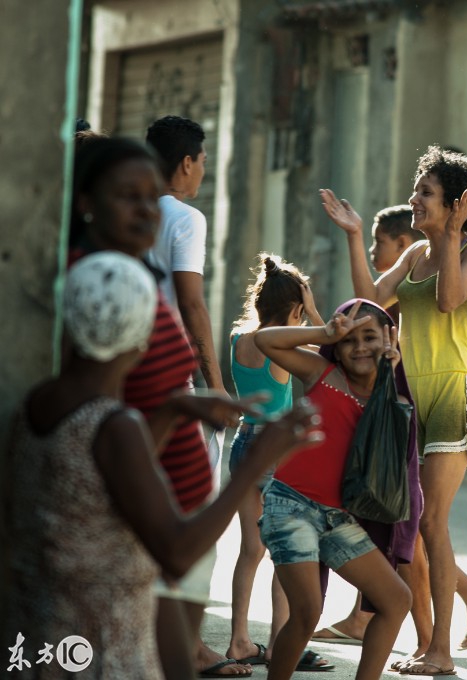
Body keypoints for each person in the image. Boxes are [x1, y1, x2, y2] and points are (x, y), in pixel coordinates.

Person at [0, 251, 321, 680]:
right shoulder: (116, 426)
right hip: (100, 648)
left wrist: (171, 410)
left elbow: (96, 481)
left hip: (42, 636)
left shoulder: (35, 406)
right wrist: (259, 460)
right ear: (140, 340)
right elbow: (177, 551)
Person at [67, 136, 250, 678]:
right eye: (130, 196)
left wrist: (187, 407)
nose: (151, 210)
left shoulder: (131, 272)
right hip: (149, 524)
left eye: (154, 196)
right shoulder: (98, 284)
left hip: (157, 500)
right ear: (86, 202)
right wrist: (259, 457)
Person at [320, 145, 467, 675]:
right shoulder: (413, 255)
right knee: (410, 523)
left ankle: (440, 651)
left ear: (457, 206)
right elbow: (369, 301)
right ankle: (428, 641)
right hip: (407, 401)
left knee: (432, 524)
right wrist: (355, 235)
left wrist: (449, 236)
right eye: (416, 189)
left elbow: (447, 301)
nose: (413, 200)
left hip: (452, 396)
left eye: (425, 193)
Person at [254, 300, 418, 680]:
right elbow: (266, 341)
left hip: (337, 517)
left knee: (396, 599)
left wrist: (389, 379)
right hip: (288, 505)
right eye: (349, 340)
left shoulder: (395, 399)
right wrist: (323, 334)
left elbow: (398, 465)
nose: (359, 347)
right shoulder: (322, 373)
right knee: (308, 611)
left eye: (370, 337)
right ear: (337, 347)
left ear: (390, 339)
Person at [224, 254, 325, 667]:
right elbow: (330, 349)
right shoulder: (285, 344)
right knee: (285, 550)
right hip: (275, 452)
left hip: (243, 443)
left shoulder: (238, 339)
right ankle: (283, 641)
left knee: (251, 550)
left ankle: (239, 641)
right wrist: (315, 313)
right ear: (296, 309)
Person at [145, 115, 224, 392]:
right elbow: (191, 305)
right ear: (187, 164)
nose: (204, 171)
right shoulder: (186, 218)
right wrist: (216, 386)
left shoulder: (131, 210)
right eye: (204, 162)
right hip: (166, 366)